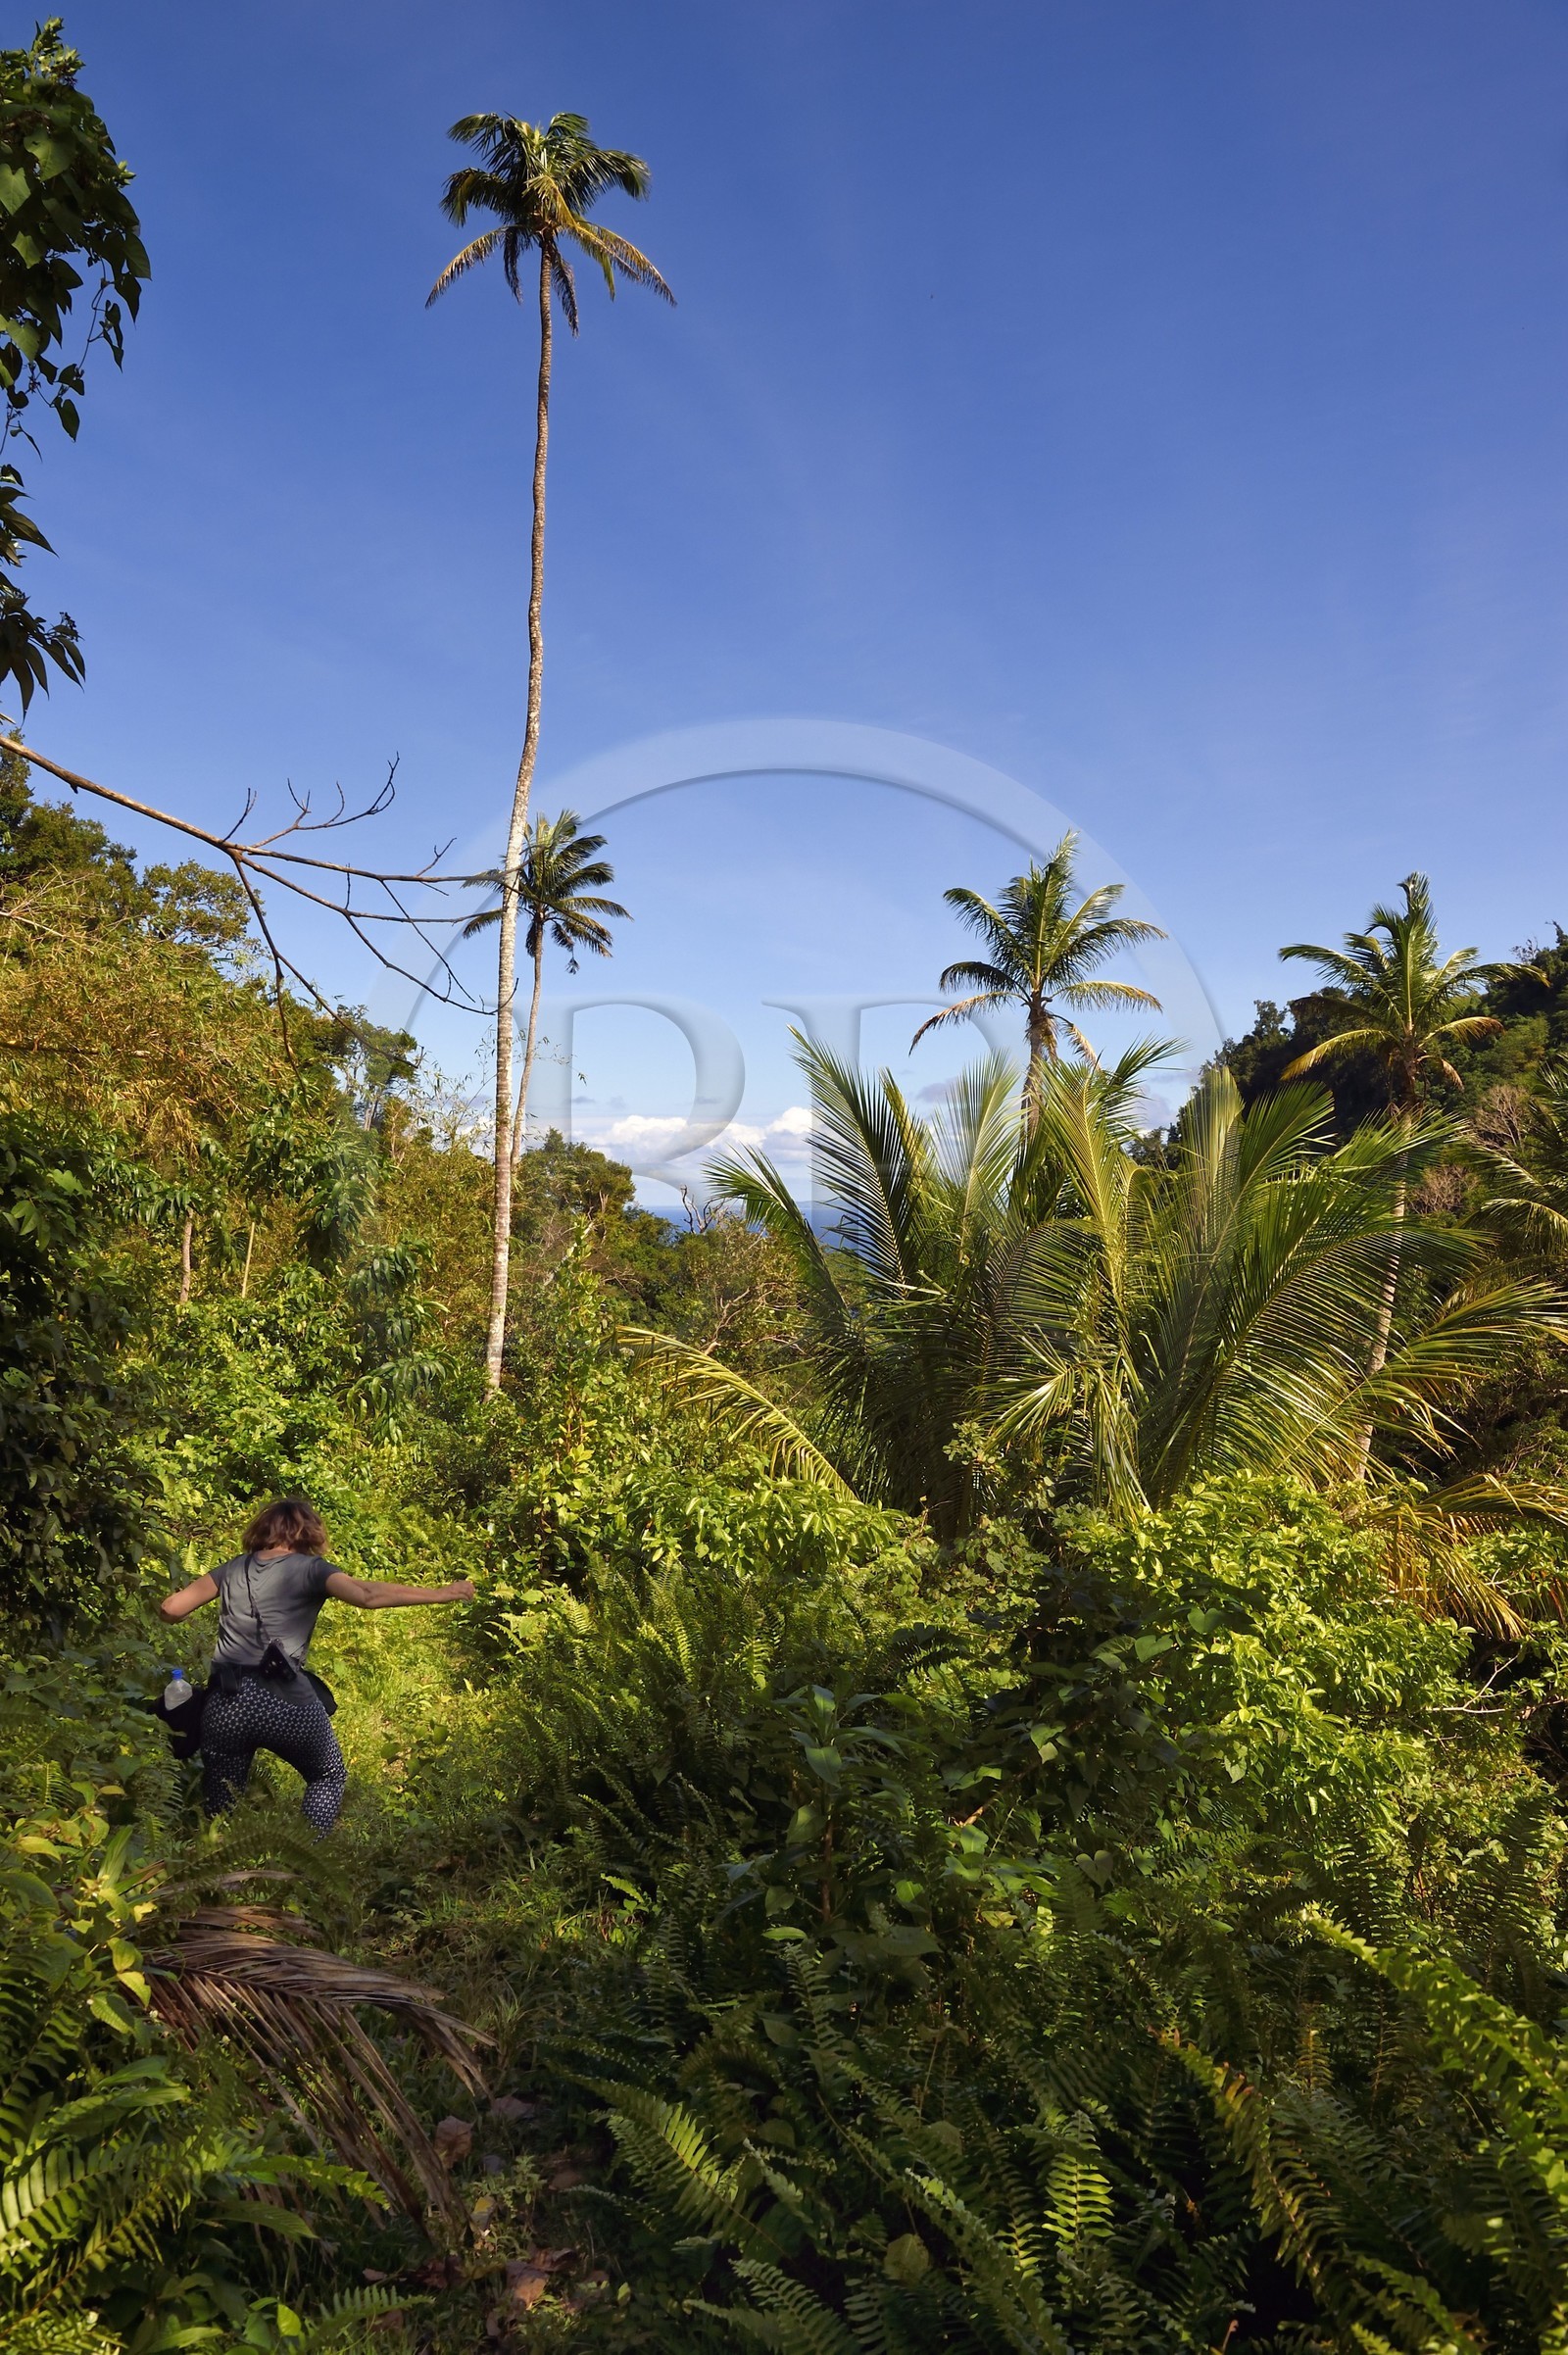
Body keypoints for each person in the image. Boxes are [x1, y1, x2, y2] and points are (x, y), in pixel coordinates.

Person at [159, 1495, 474, 1834]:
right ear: (308, 1533)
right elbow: (367, 1596)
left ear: (262, 1530)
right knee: (328, 1775)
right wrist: (442, 1593)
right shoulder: (312, 1569)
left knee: (221, 1806)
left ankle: (219, 1874)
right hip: (284, 1700)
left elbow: (172, 1609)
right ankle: (302, 1861)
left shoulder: (232, 1568)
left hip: (225, 1703)